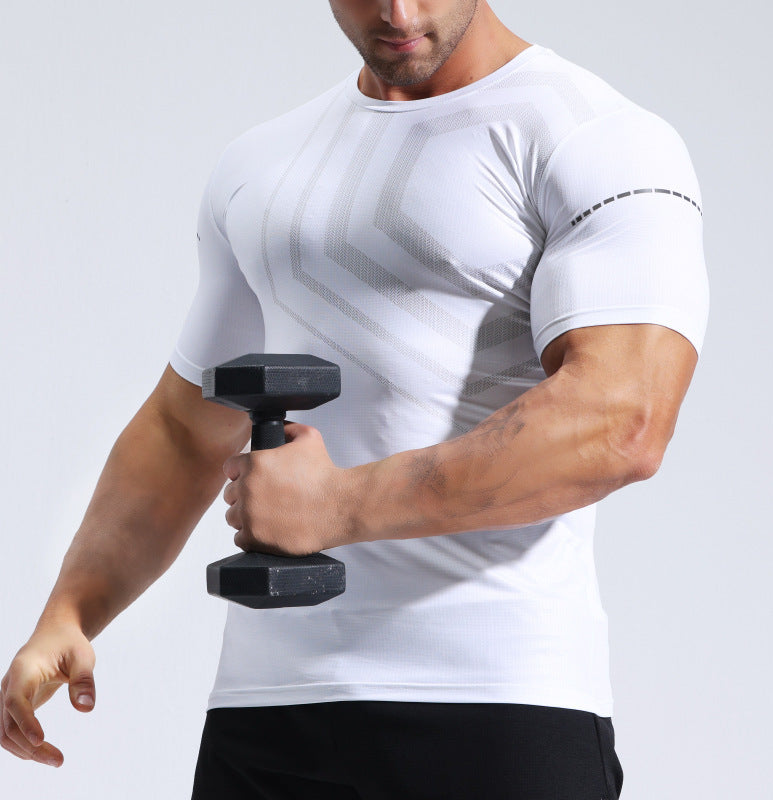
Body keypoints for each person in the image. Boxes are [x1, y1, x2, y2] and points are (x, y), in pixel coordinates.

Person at [1, 1, 709, 797]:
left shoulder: (595, 139)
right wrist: (70, 611)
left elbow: (619, 421)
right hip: (264, 719)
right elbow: (185, 427)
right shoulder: (262, 166)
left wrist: (337, 506)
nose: (397, 11)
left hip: (496, 709)